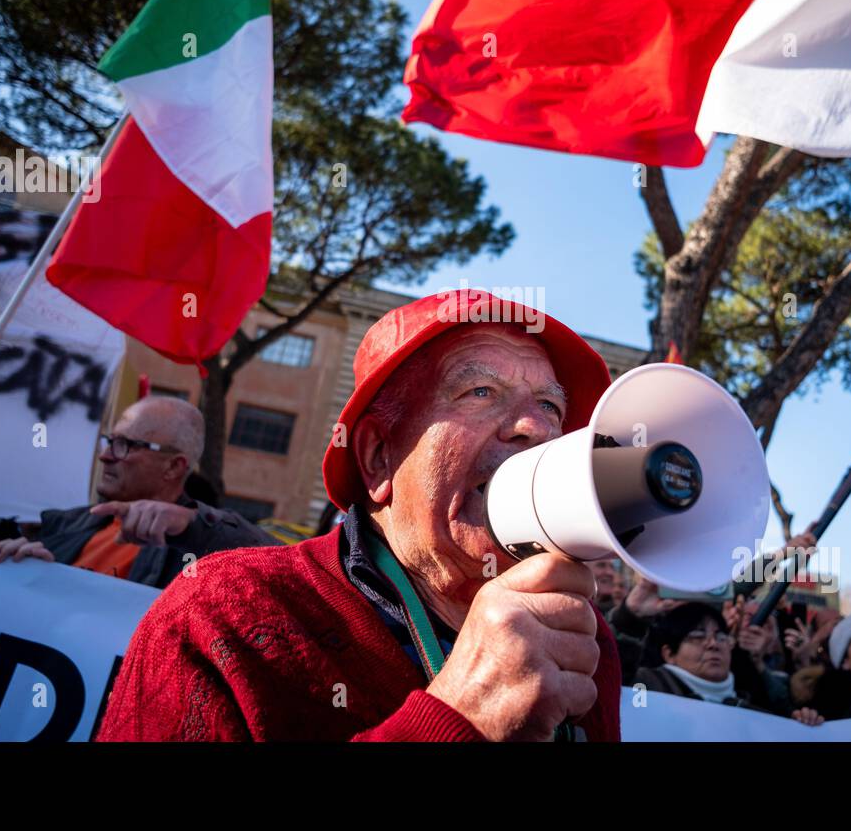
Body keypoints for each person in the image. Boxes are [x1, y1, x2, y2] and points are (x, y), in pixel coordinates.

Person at [98, 290, 623, 741]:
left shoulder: (582, 635)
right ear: (377, 457)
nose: (535, 427)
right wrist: (460, 720)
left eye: (551, 407)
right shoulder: (221, 613)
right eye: (480, 392)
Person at [0, 396, 275, 588]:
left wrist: (193, 523)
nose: (106, 456)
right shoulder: (62, 525)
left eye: (125, 445)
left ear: (174, 467)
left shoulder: (203, 565)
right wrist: (27, 574)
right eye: (109, 441)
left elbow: (283, 564)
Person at [635, 601, 821, 724]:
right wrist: (630, 616)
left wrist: (799, 724)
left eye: (721, 636)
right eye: (698, 636)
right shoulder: (643, 687)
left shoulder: (754, 711)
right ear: (669, 654)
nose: (713, 644)